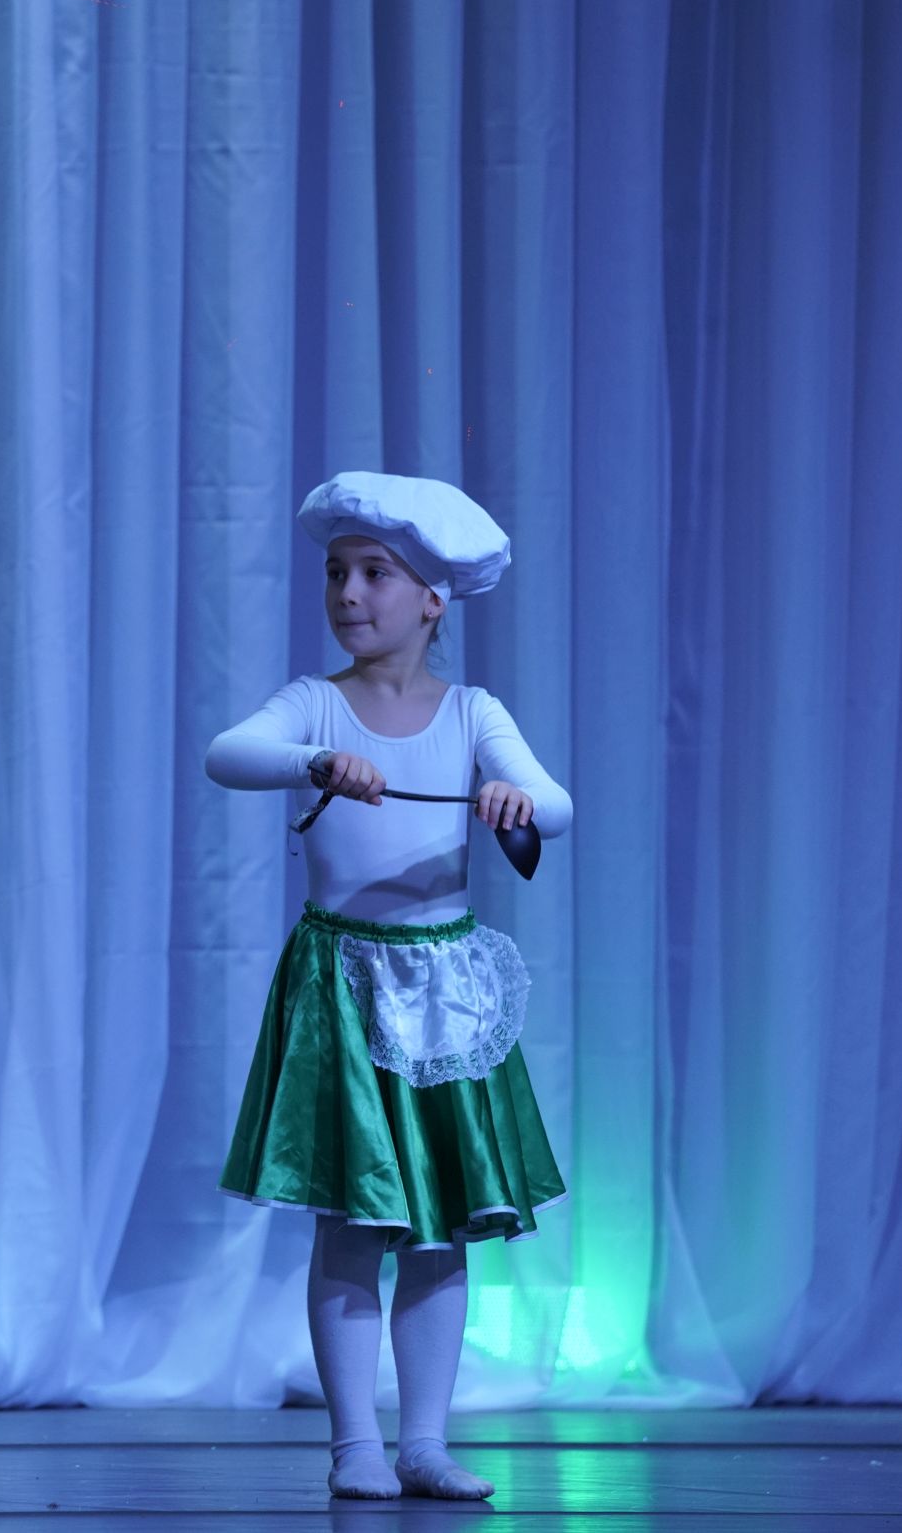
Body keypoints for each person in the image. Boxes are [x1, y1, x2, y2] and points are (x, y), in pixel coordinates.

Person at [203, 471, 571, 1502]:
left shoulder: (472, 711)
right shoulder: (315, 703)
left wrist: (510, 795)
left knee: (439, 1226)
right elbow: (229, 753)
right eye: (336, 572)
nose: (348, 592)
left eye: (374, 573)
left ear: (432, 599)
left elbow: (554, 804)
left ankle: (424, 1440)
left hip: (443, 992)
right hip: (343, 988)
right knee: (354, 1220)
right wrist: (315, 762)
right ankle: (354, 1443)